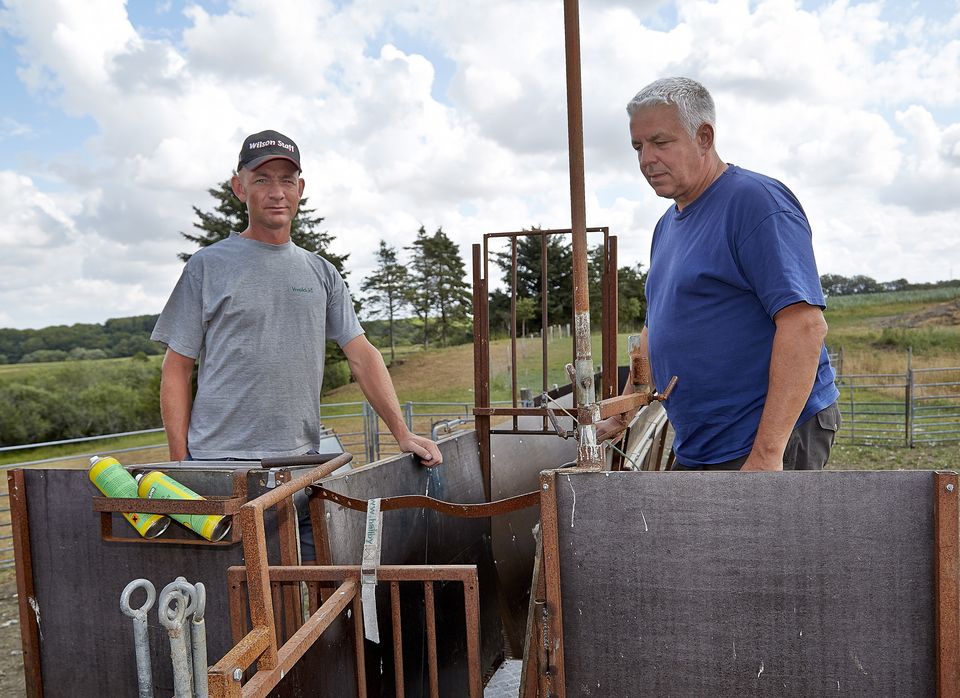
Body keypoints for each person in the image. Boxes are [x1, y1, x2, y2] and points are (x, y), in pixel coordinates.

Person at [151, 130, 442, 540]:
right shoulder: (207, 266)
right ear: (240, 187)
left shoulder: (321, 273)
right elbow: (177, 367)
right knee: (232, 578)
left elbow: (362, 355)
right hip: (220, 466)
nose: (276, 192)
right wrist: (182, 463)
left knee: (304, 574)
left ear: (300, 189)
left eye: (286, 180)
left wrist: (402, 432)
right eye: (262, 179)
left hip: (301, 466)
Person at [597, 78, 840, 471]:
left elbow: (804, 326)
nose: (646, 160)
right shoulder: (666, 226)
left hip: (763, 436)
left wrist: (766, 454)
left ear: (704, 137)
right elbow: (654, 330)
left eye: (660, 142)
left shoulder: (755, 203)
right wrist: (624, 411)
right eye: (638, 147)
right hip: (703, 441)